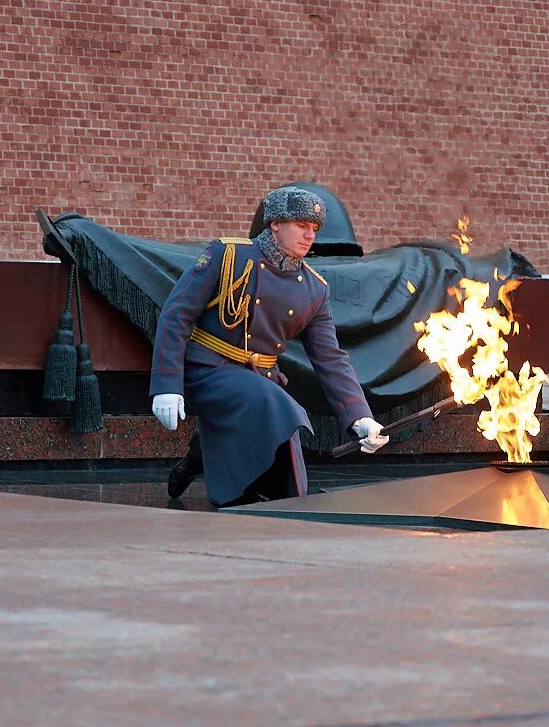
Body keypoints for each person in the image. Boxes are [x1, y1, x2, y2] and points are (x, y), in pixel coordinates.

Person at [151, 186, 388, 506]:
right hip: (208, 368)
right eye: (301, 226)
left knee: (279, 423)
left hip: (259, 379)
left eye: (314, 229)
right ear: (275, 223)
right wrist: (166, 384)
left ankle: (278, 496)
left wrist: (360, 418)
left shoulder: (314, 289)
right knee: (281, 408)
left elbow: (330, 358)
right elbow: (177, 315)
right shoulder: (228, 255)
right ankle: (238, 493)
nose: (310, 236)